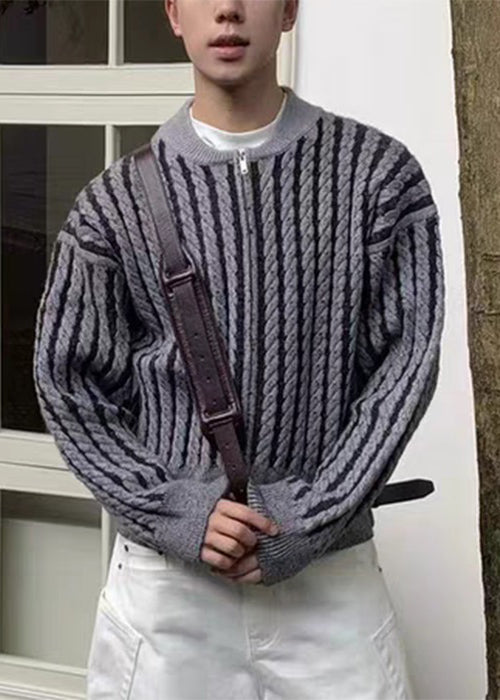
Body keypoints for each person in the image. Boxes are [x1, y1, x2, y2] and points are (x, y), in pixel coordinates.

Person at [32, 0, 445, 697]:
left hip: (329, 584)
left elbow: (406, 363)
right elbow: (67, 383)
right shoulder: (111, 206)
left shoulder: (379, 178)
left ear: (288, 10)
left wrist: (312, 514)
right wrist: (176, 510)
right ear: (173, 13)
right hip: (169, 592)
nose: (227, 9)